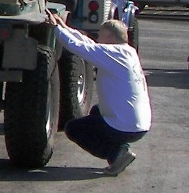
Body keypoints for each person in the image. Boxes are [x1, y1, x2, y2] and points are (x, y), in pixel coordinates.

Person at [47, 11, 152, 176]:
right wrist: (64, 27)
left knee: (73, 128)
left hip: (125, 127)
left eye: (101, 35)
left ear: (110, 37)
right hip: (141, 125)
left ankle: (116, 154)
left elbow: (80, 47)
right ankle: (119, 152)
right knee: (96, 111)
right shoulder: (128, 52)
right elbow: (89, 44)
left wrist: (55, 29)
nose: (98, 38)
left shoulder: (113, 54)